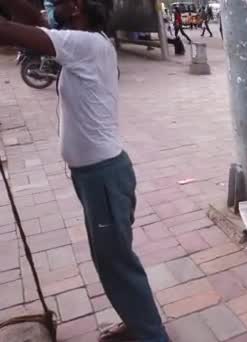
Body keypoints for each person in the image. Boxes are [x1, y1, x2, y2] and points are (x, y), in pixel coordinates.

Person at [0, 1, 170, 341]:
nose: (51, 6)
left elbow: (12, 30)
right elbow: (36, 20)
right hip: (96, 175)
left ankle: (152, 336)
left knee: (116, 263)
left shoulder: (84, 44)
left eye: (58, 2)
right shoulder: (86, 40)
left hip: (103, 176)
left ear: (76, 6)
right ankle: (138, 323)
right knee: (112, 260)